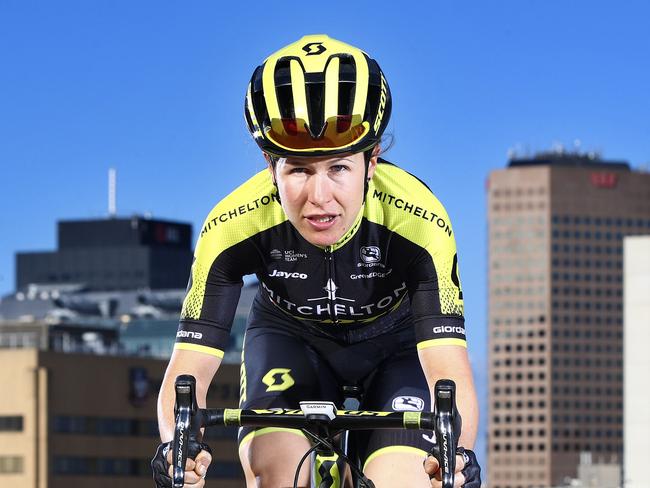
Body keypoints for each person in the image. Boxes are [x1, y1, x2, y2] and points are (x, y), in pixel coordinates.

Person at [152, 34, 481, 488]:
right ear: (270, 166)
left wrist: (456, 456)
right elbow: (188, 368)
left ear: (372, 161)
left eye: (339, 168)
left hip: (398, 348)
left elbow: (448, 370)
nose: (319, 197)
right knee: (277, 474)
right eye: (299, 170)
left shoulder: (420, 221)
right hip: (290, 338)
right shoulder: (231, 226)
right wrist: (177, 447)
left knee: (405, 481)